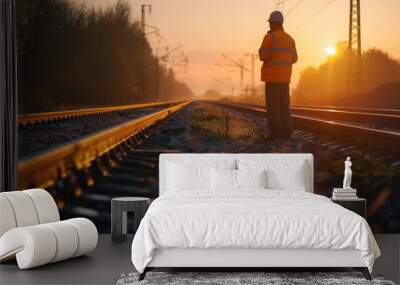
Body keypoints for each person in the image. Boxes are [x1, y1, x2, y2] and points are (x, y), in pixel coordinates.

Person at [259, 10, 298, 139]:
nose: (269, 25)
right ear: (281, 23)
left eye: (270, 23)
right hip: (285, 80)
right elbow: (294, 59)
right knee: (285, 107)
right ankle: (287, 134)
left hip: (272, 79)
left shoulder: (269, 37)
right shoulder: (290, 39)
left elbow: (263, 56)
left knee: (273, 108)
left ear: (272, 24)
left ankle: (276, 135)